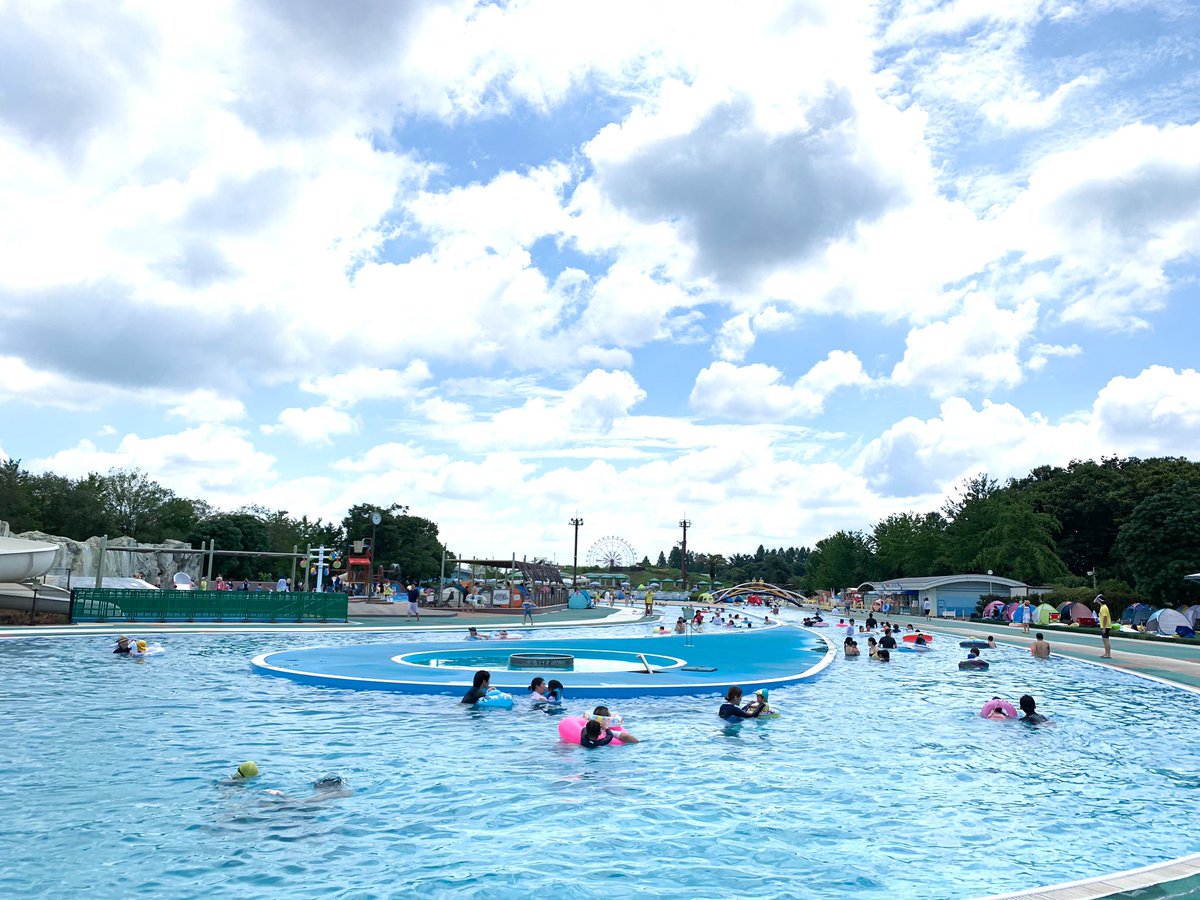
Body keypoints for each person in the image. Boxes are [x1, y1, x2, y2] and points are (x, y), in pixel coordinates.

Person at [1097, 594, 1112, 658]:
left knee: (1106, 640)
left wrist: (1104, 628)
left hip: (1106, 626)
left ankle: (1108, 654)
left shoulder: (1104, 608)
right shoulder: (1103, 607)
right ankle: (1106, 653)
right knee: (1104, 640)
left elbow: (1105, 618)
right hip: (1105, 626)